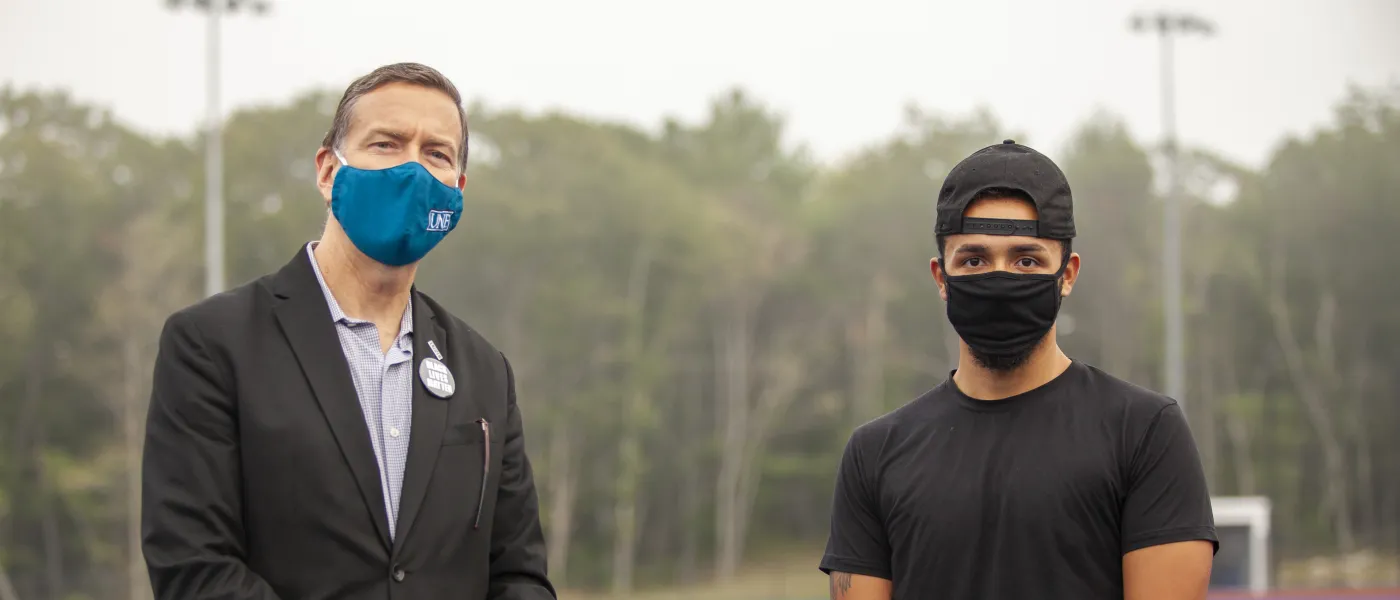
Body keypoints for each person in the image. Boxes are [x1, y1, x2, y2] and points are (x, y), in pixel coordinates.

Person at [141, 62, 556, 600]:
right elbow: (194, 567)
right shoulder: (212, 345)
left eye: (436, 153)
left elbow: (520, 574)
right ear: (327, 170)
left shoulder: (485, 372)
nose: (412, 169)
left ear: (458, 189)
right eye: (386, 144)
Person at [819, 140, 1217, 599]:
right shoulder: (875, 454)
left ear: (1068, 274)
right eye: (974, 260)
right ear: (941, 277)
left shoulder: (1143, 433)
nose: (1000, 278)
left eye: (1026, 260)